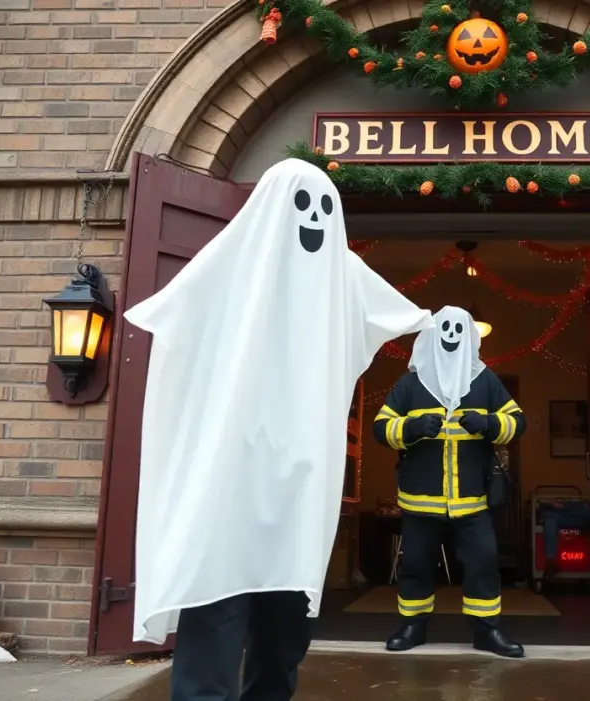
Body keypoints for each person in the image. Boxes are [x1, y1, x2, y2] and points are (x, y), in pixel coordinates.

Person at [123, 159, 433, 701]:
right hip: (227, 477)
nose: (313, 220)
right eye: (300, 206)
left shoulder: (341, 277)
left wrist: (435, 323)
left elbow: (399, 311)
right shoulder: (226, 268)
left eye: (324, 208)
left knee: (287, 619)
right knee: (217, 601)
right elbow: (171, 319)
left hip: (298, 479)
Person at [374, 306, 526, 658]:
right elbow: (381, 427)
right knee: (414, 564)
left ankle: (486, 631)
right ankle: (413, 626)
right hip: (419, 499)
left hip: (472, 499)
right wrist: (409, 429)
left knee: (484, 561)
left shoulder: (484, 380)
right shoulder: (410, 383)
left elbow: (517, 422)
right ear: (431, 333)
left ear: (469, 334)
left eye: (460, 327)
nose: (452, 334)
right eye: (445, 327)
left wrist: (489, 423)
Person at [536, 498, 590, 580]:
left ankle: (550, 561)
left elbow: (587, 515)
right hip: (566, 517)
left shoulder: (582, 503)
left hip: (577, 516)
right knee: (550, 521)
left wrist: (558, 506)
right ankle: (551, 563)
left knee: (549, 517)